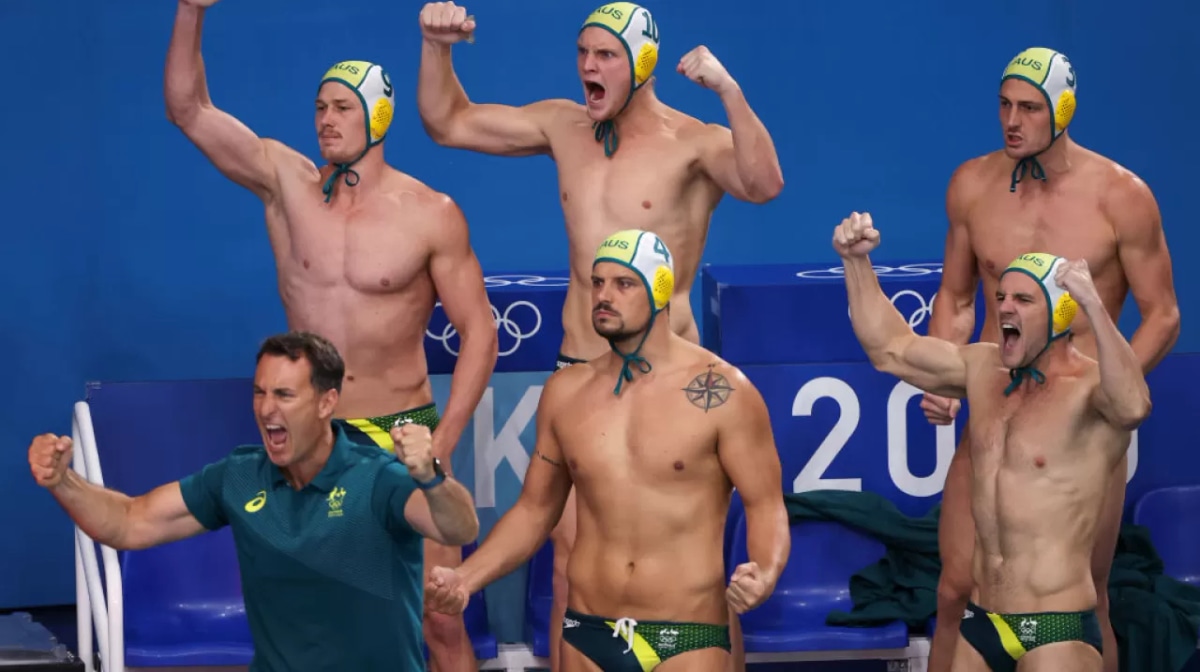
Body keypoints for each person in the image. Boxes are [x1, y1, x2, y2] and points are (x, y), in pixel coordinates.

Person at [415, 3, 785, 666]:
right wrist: (435, 47)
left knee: (697, 584)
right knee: (568, 565)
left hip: (672, 378)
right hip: (579, 372)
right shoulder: (564, 125)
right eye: (583, 53)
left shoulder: (692, 142)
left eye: (606, 54)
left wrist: (729, 91)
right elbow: (448, 122)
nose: (589, 66)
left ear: (642, 64)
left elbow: (764, 183)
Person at [164, 1, 500, 668]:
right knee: (320, 614)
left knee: (440, 616)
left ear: (378, 116)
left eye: (343, 106)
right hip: (318, 442)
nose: (325, 119)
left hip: (402, 431)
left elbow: (480, 332)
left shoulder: (430, 213)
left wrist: (443, 441)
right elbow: (189, 110)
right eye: (320, 106)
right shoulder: (285, 184)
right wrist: (190, 12)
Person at [918, 46, 1180, 672]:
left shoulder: (1120, 196)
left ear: (1061, 110)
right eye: (1005, 105)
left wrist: (1109, 401)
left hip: (1081, 428)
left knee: (1086, 604)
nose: (1012, 120)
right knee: (956, 590)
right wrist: (945, 369)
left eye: (1030, 108)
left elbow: (1164, 314)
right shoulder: (972, 186)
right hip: (995, 411)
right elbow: (955, 297)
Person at [424, 230, 791, 671]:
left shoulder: (722, 390)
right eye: (597, 283)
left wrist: (765, 571)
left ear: (659, 292)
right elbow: (534, 511)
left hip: (686, 637)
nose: (603, 295)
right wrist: (466, 578)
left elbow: (765, 504)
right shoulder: (566, 391)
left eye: (623, 284)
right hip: (588, 631)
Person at [28, 331, 481, 672]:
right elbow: (129, 522)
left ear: (327, 403)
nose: (266, 409)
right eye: (260, 392)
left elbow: (458, 528)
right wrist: (63, 482)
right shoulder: (239, 476)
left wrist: (431, 476)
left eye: (284, 394)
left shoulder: (377, 477)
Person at [835, 211, 1151, 672]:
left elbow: (1133, 407)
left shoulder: (1091, 390)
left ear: (1062, 313)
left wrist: (1093, 305)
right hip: (981, 621)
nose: (1004, 308)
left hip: (1055, 627)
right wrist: (856, 263)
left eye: (1023, 299)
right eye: (1001, 296)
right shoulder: (984, 371)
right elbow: (891, 350)